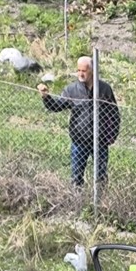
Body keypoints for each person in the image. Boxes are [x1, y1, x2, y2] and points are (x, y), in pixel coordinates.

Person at [38, 56, 121, 187]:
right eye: (78, 70)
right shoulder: (72, 90)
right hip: (79, 140)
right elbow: (57, 106)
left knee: (101, 177)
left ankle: (100, 203)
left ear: (92, 71)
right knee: (76, 177)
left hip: (100, 141)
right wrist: (46, 97)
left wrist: (111, 136)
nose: (80, 74)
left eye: (84, 70)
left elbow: (114, 114)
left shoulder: (104, 89)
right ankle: (77, 201)